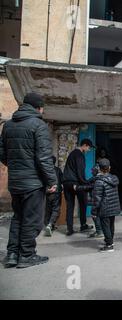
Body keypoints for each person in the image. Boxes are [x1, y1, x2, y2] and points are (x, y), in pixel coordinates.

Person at [0, 92, 57, 268]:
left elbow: (2, 153)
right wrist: (52, 181)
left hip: (16, 181)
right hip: (33, 183)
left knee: (18, 217)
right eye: (42, 107)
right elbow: (44, 158)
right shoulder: (38, 125)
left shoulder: (8, 125)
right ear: (38, 107)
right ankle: (26, 255)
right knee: (32, 220)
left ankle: (12, 254)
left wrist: (17, 167)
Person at [63, 138, 95, 235]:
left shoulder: (72, 154)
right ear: (85, 145)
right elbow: (80, 171)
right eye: (89, 147)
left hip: (66, 183)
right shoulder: (80, 155)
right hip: (75, 183)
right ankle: (83, 225)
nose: (89, 150)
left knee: (70, 205)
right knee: (83, 203)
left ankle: (69, 229)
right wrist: (86, 183)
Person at [90, 158, 121, 252]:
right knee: (111, 225)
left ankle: (109, 245)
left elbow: (97, 199)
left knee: (105, 226)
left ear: (99, 169)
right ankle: (110, 240)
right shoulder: (114, 179)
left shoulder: (99, 181)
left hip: (104, 208)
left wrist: (94, 211)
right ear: (109, 168)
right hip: (114, 206)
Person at [43, 156, 64, 237]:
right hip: (56, 192)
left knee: (48, 209)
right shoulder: (58, 170)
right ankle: (50, 224)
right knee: (56, 209)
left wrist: (47, 190)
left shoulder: (45, 170)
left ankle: (49, 225)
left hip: (48, 193)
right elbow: (62, 180)